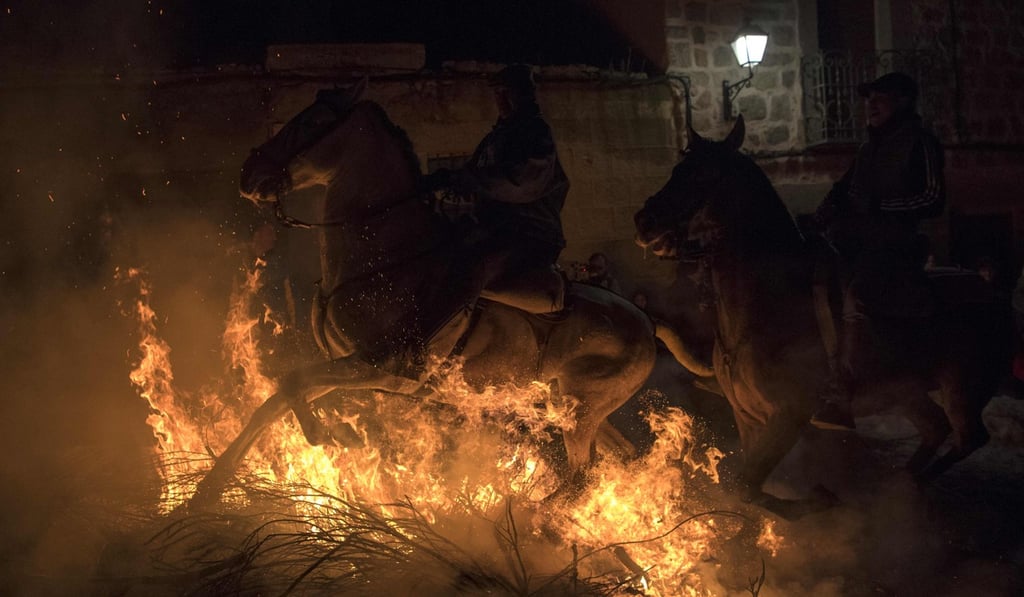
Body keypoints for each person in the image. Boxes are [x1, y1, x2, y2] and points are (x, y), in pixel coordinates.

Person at [810, 72, 946, 431]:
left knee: (859, 294)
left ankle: (844, 392)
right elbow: (843, 191)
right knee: (817, 286)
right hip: (855, 242)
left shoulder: (921, 142)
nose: (870, 104)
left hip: (896, 246)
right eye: (868, 98)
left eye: (880, 97)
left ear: (902, 101)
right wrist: (817, 219)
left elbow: (933, 198)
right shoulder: (867, 148)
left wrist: (881, 206)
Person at [422, 64, 570, 314]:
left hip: (528, 231)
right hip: (494, 227)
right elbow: (477, 178)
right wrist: (451, 185)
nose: (501, 99)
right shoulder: (496, 138)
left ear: (522, 94)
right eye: (497, 93)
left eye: (506, 92)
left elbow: (522, 182)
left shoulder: (534, 132)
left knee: (473, 272)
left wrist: (465, 180)